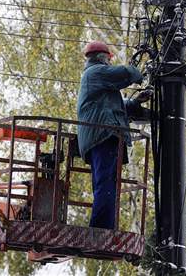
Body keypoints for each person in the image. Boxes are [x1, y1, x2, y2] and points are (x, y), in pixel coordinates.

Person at [77, 41, 151, 230]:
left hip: (99, 134)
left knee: (105, 183)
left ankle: (102, 226)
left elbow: (115, 106)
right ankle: (101, 228)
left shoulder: (94, 79)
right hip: (104, 134)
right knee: (106, 185)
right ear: (103, 58)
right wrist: (141, 73)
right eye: (109, 59)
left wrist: (136, 102)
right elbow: (126, 73)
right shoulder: (96, 72)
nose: (110, 63)